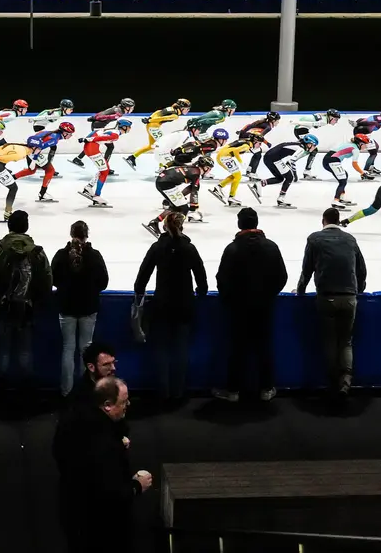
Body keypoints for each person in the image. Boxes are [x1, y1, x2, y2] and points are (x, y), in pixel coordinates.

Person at [52, 377, 153, 553]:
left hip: (71, 509)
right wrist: (137, 485)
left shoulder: (74, 418)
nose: (127, 404)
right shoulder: (105, 446)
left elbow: (58, 452)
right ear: (107, 404)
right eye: (123, 402)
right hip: (99, 525)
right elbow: (111, 495)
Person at [213, 207, 288, 403]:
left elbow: (222, 278)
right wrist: (268, 295)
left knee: (237, 349)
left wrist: (229, 299)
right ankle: (266, 388)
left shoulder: (232, 249)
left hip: (238, 308)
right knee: (264, 346)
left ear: (240, 224)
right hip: (264, 306)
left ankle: (233, 391)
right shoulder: (271, 246)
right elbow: (282, 276)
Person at [133, 210, 207, 403]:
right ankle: (178, 392)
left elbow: (143, 276)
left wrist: (139, 293)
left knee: (162, 350)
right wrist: (201, 292)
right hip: (184, 305)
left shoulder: (158, 247)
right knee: (181, 350)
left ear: (164, 226)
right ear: (182, 226)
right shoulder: (189, 248)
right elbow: (201, 276)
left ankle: (163, 392)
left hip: (162, 305)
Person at [298, 207, 367, 398]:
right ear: (338, 221)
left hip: (326, 296)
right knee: (346, 341)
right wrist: (359, 289)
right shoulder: (350, 239)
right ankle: (345, 382)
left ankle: (331, 381)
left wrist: (301, 290)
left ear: (323, 221)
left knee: (329, 340)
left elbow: (307, 268)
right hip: (349, 296)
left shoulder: (314, 239)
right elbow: (361, 268)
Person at [0, 210, 52, 387]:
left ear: (9, 226)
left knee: (3, 351)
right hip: (26, 311)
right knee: (25, 351)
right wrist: (36, 305)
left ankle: (1, 393)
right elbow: (47, 281)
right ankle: (26, 394)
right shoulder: (37, 254)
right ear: (26, 227)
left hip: (2, 312)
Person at [51, 221, 109, 396]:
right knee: (86, 348)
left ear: (71, 234)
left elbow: (53, 279)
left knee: (68, 348)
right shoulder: (94, 256)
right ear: (87, 234)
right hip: (88, 307)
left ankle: (66, 391)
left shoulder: (61, 255)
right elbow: (103, 282)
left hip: (67, 307)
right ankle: (87, 391)